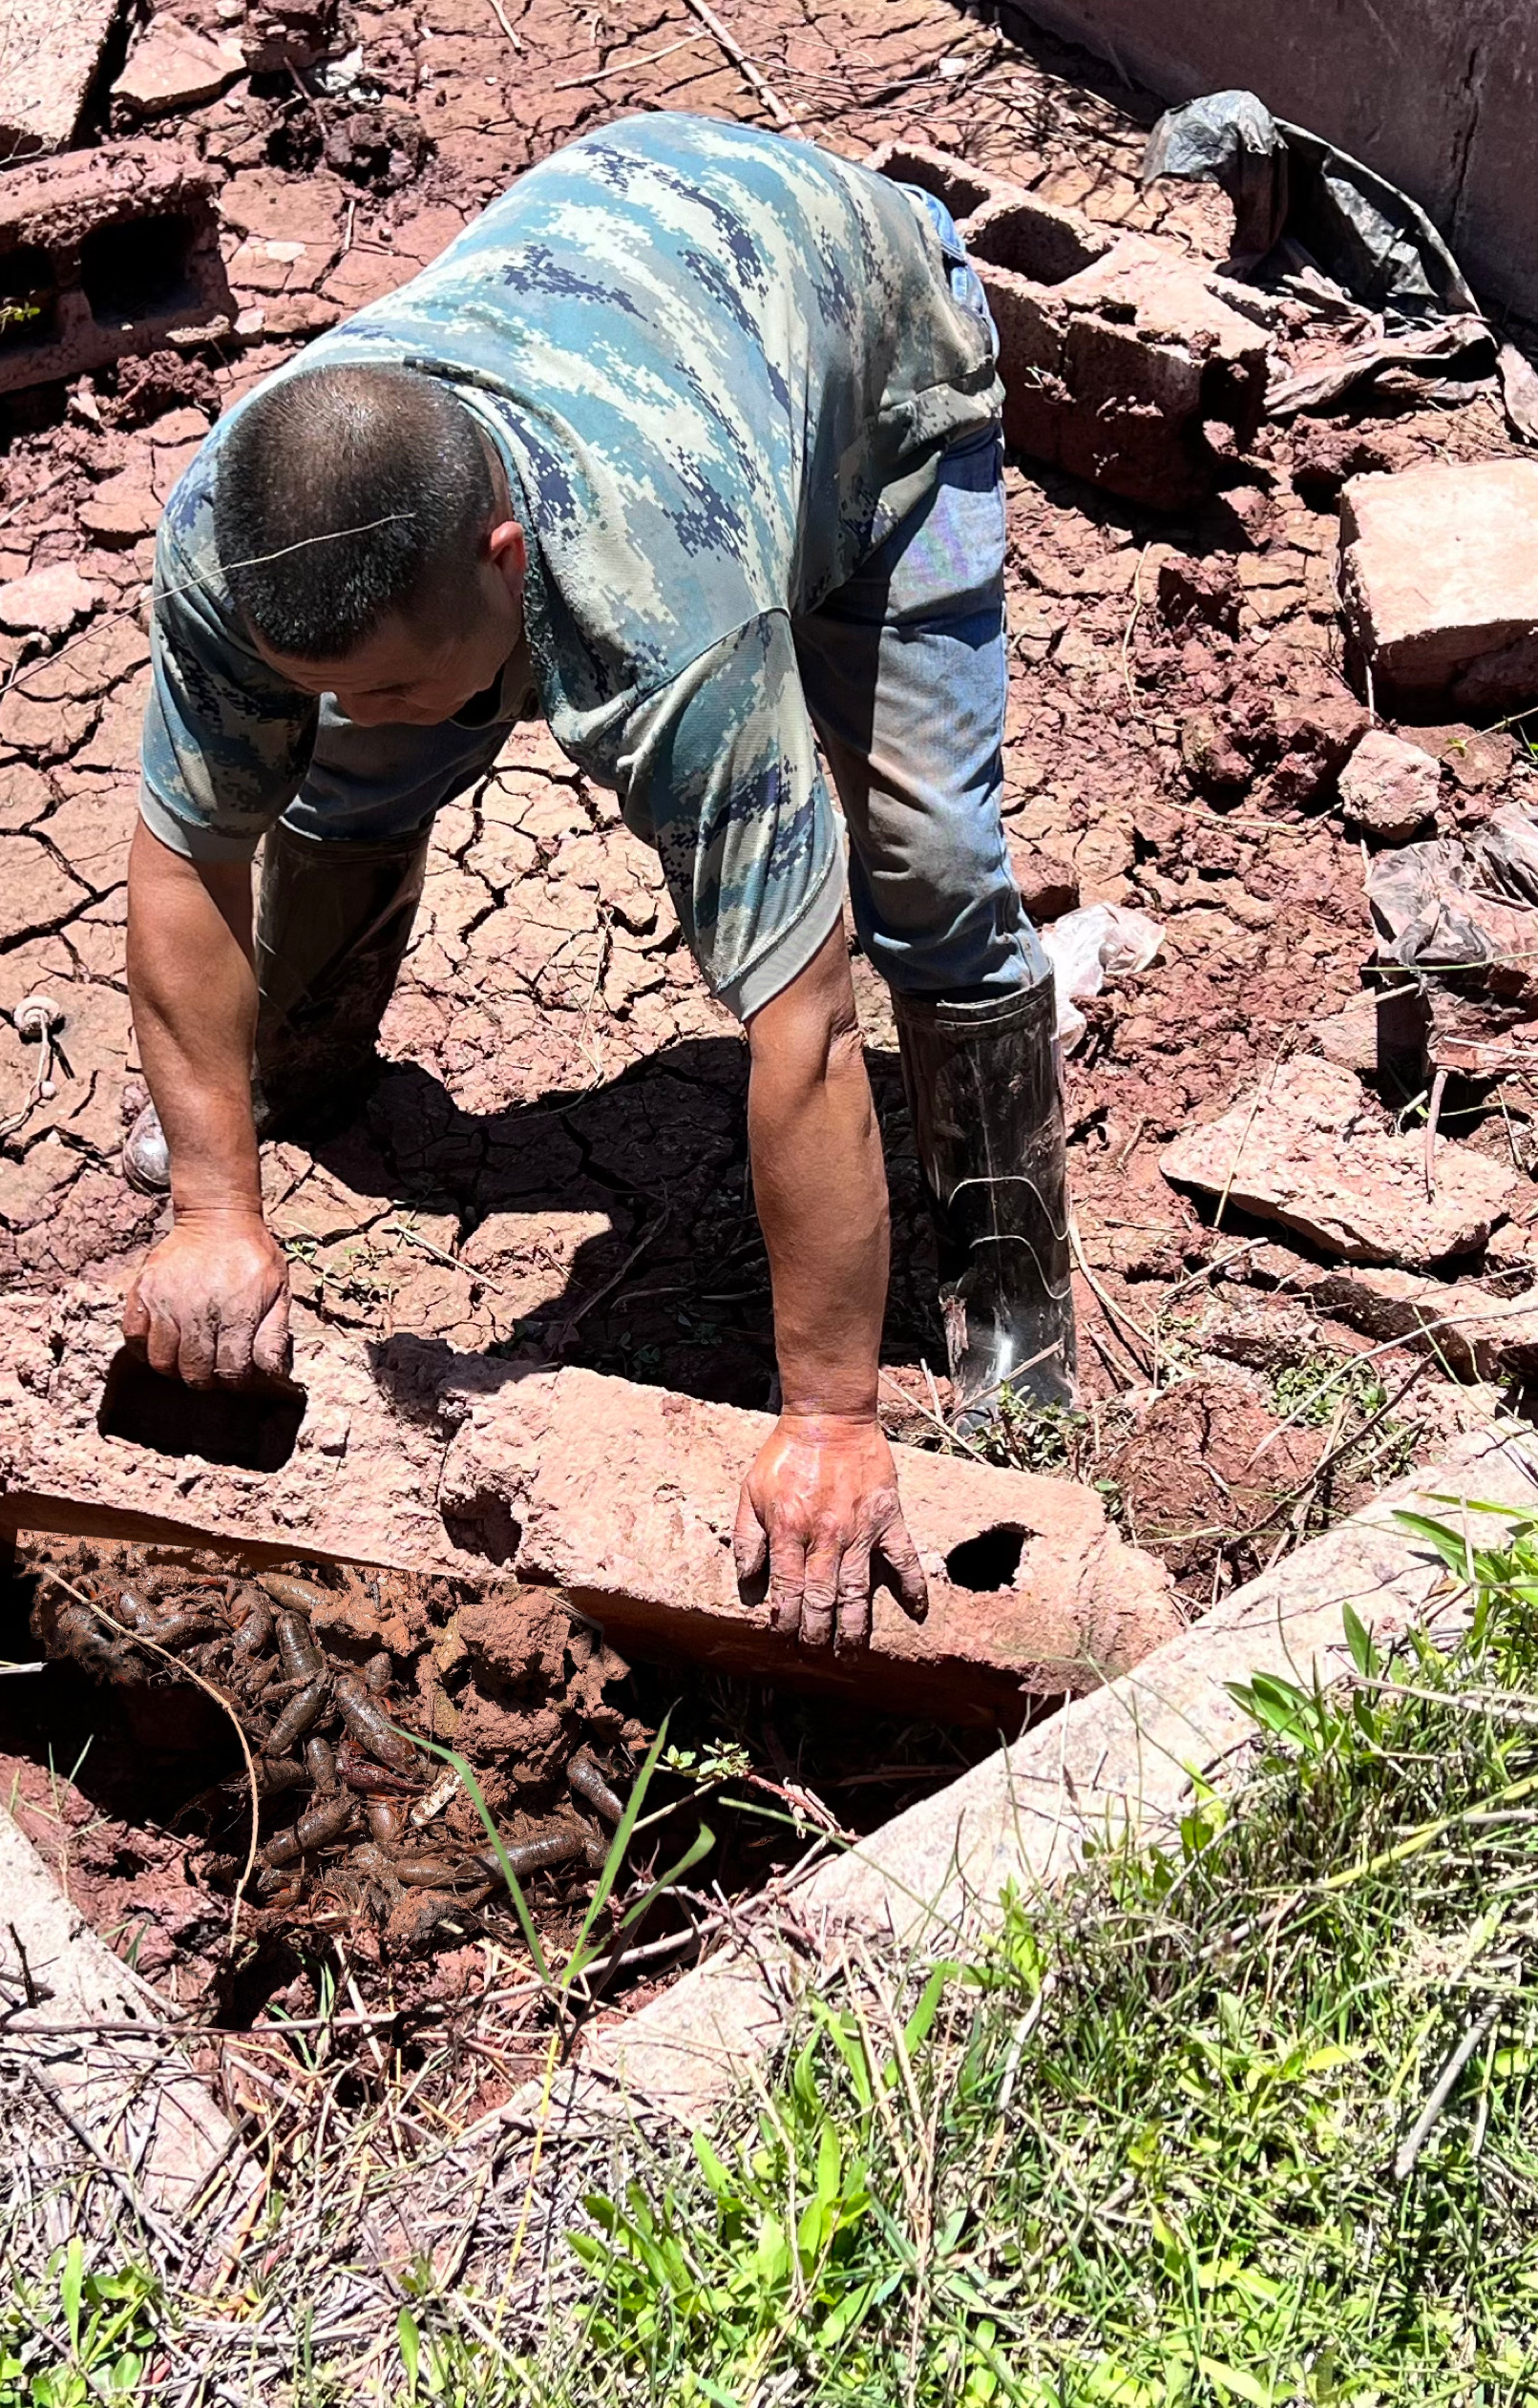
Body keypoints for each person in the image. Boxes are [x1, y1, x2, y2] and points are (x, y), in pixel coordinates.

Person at [114, 111, 1073, 1652]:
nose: (353, 710)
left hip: (865, 348)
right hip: (633, 259)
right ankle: (293, 1074)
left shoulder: (663, 616)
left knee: (926, 873)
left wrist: (826, 1415)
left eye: (398, 680)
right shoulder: (247, 527)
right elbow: (188, 851)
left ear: (507, 557)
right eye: (320, 681)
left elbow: (808, 1028)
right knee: (346, 785)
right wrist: (217, 1200)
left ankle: (1013, 1295)